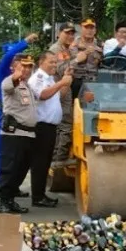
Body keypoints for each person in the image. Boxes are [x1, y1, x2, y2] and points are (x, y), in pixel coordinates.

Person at [0, 33, 37, 202]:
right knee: (4, 156)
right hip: (7, 119)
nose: (23, 65)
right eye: (19, 60)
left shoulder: (25, 80)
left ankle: (11, 189)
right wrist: (25, 42)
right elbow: (9, 56)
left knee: (18, 161)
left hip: (22, 125)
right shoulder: (5, 71)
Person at [28, 51, 72, 208]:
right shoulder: (38, 78)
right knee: (39, 162)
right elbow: (42, 95)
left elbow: (58, 96)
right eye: (51, 62)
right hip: (41, 126)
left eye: (55, 62)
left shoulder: (50, 79)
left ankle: (41, 194)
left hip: (51, 126)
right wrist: (61, 83)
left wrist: (65, 83)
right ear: (41, 63)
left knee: (46, 162)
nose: (54, 65)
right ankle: (37, 197)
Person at [0, 55, 37, 214]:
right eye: (23, 66)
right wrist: (16, 75)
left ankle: (11, 199)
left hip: (28, 134)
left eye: (29, 67)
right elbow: (8, 87)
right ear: (14, 67)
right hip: (14, 134)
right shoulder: (9, 81)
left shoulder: (27, 86)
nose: (27, 69)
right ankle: (4, 201)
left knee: (21, 169)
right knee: (10, 168)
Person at [49, 22, 77, 168]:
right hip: (59, 87)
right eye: (67, 32)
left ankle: (58, 157)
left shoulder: (67, 49)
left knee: (63, 123)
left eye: (72, 33)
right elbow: (60, 69)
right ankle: (58, 159)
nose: (70, 36)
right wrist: (77, 60)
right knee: (64, 123)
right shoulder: (55, 49)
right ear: (59, 33)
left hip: (65, 86)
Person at [70, 18, 103, 99]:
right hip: (77, 80)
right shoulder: (74, 43)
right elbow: (69, 62)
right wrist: (85, 52)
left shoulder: (100, 44)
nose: (89, 30)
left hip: (94, 81)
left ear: (95, 30)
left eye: (92, 28)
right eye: (86, 27)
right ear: (81, 29)